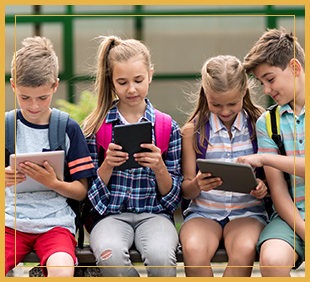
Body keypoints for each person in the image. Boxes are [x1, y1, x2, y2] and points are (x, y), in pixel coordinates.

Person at [82, 35, 182, 277]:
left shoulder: (168, 127)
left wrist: (160, 168)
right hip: (110, 216)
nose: (132, 89)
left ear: (150, 74)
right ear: (112, 82)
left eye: (138, 80)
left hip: (155, 215)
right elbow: (89, 198)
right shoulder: (96, 127)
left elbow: (173, 199)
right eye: (122, 82)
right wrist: (106, 167)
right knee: (110, 255)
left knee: (161, 257)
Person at [5, 36, 96, 277]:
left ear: (55, 85)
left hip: (55, 226)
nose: (34, 106)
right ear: (13, 86)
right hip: (9, 225)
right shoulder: (5, 126)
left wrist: (53, 183)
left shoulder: (67, 128)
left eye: (42, 98)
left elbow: (81, 191)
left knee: (62, 272)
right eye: (25, 98)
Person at [179, 55, 268, 277]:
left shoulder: (260, 125)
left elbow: (271, 180)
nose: (225, 111)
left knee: (245, 249)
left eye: (232, 103)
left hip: (248, 212)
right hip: (203, 213)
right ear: (205, 93)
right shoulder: (193, 131)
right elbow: (186, 188)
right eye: (216, 104)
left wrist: (262, 187)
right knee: (193, 249)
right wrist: (198, 184)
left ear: (245, 91)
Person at [240, 28, 305, 276]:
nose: (266, 90)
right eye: (261, 83)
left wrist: (265, 158)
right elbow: (278, 192)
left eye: (270, 79)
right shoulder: (267, 122)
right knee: (272, 260)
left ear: (294, 67)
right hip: (290, 217)